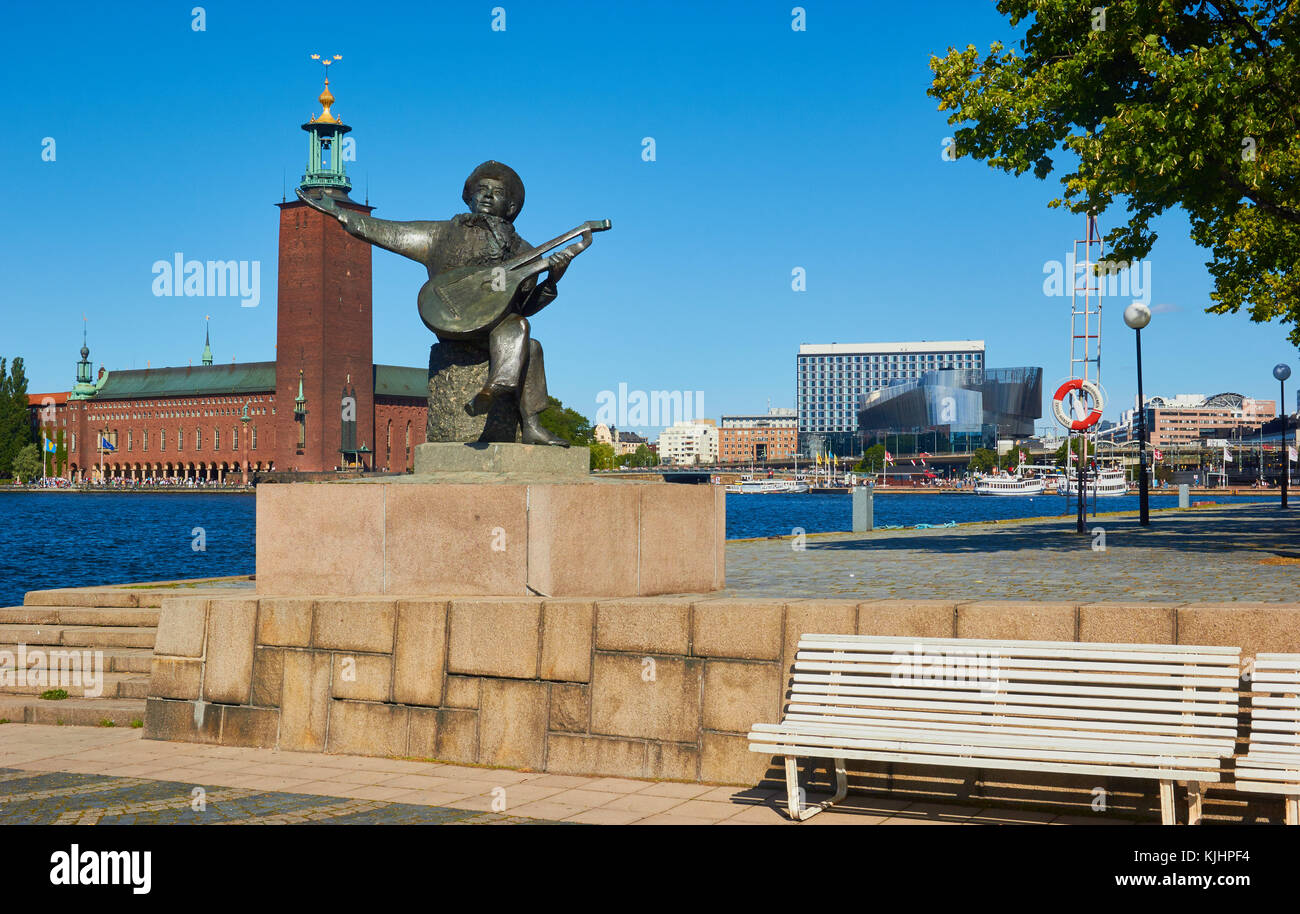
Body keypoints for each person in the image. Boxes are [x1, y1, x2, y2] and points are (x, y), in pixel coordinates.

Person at [299, 161, 572, 446]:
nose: (488, 196)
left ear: (512, 207)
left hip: (495, 329)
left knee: (530, 344)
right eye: (482, 190)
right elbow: (388, 232)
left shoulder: (523, 251)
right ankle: (504, 389)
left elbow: (524, 306)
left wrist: (552, 280)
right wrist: (339, 212)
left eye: (497, 192)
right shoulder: (441, 234)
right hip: (450, 320)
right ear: (469, 197)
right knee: (519, 328)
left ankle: (527, 421)